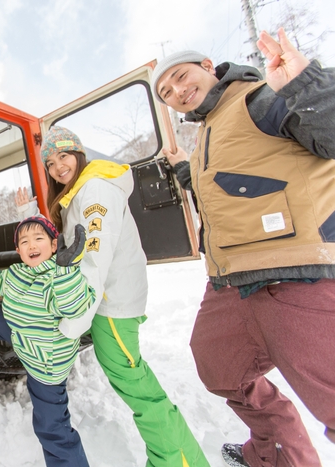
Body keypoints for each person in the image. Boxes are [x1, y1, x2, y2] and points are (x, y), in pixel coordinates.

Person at [150, 28, 335, 467]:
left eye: (180, 76)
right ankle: (278, 453)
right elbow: (227, 188)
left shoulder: (259, 99)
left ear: (208, 67)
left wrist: (304, 84)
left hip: (297, 274)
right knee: (218, 364)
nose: (177, 90)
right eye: (166, 91)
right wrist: (183, 172)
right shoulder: (207, 132)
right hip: (231, 283)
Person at [17, 126, 209, 467]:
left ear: (77, 154)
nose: (57, 166)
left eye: (63, 156)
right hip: (106, 303)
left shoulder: (95, 192)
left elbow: (94, 260)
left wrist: (74, 322)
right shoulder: (80, 191)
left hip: (112, 306)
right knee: (137, 385)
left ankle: (179, 461)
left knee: (139, 391)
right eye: (49, 162)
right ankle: (175, 457)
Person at [0, 215, 96, 466]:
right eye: (24, 241)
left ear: (54, 246)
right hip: (32, 349)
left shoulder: (56, 278)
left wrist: (66, 271)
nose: (31, 245)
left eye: (38, 239)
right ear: (18, 250)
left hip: (48, 365)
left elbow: (76, 307)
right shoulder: (17, 273)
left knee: (52, 427)